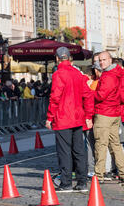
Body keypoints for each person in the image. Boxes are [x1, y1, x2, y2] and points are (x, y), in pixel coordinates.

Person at [46, 47, 94, 192]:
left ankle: (66, 183)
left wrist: (49, 117)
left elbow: (55, 97)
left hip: (63, 118)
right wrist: (88, 116)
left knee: (64, 151)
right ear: (70, 58)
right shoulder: (78, 74)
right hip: (77, 117)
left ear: (57, 58)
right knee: (79, 150)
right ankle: (82, 182)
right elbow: (88, 95)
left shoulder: (58, 74)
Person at [93, 51, 124, 184]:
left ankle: (99, 174)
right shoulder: (119, 73)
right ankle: (122, 171)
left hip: (105, 112)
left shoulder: (108, 76)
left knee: (101, 144)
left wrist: (90, 92)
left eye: (104, 60)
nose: (101, 62)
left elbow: (101, 95)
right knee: (115, 145)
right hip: (115, 112)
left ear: (110, 60)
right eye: (100, 60)